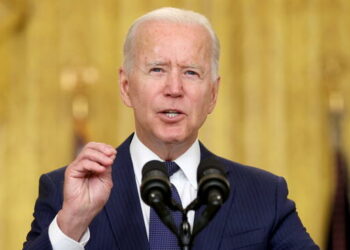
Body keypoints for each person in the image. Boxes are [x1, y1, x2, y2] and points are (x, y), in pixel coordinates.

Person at [23, 7, 319, 250]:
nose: (174, 89)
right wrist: (73, 222)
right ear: (126, 87)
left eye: (191, 72)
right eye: (157, 70)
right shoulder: (65, 191)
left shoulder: (263, 195)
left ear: (213, 94)